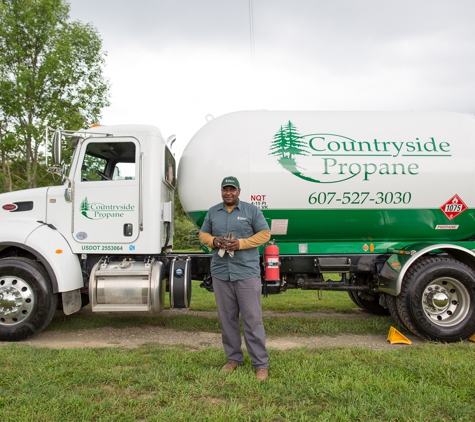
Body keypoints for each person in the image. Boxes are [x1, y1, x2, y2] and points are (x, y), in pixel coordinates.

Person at [199, 176, 271, 381]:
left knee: (252, 320)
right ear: (221, 191)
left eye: (232, 189)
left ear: (239, 191)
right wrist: (213, 240)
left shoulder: (251, 211)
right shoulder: (213, 212)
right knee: (227, 320)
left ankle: (260, 364)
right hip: (221, 273)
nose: (228, 193)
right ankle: (233, 359)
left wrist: (241, 243)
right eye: (225, 189)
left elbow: (264, 234)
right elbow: (202, 234)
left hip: (246, 273)